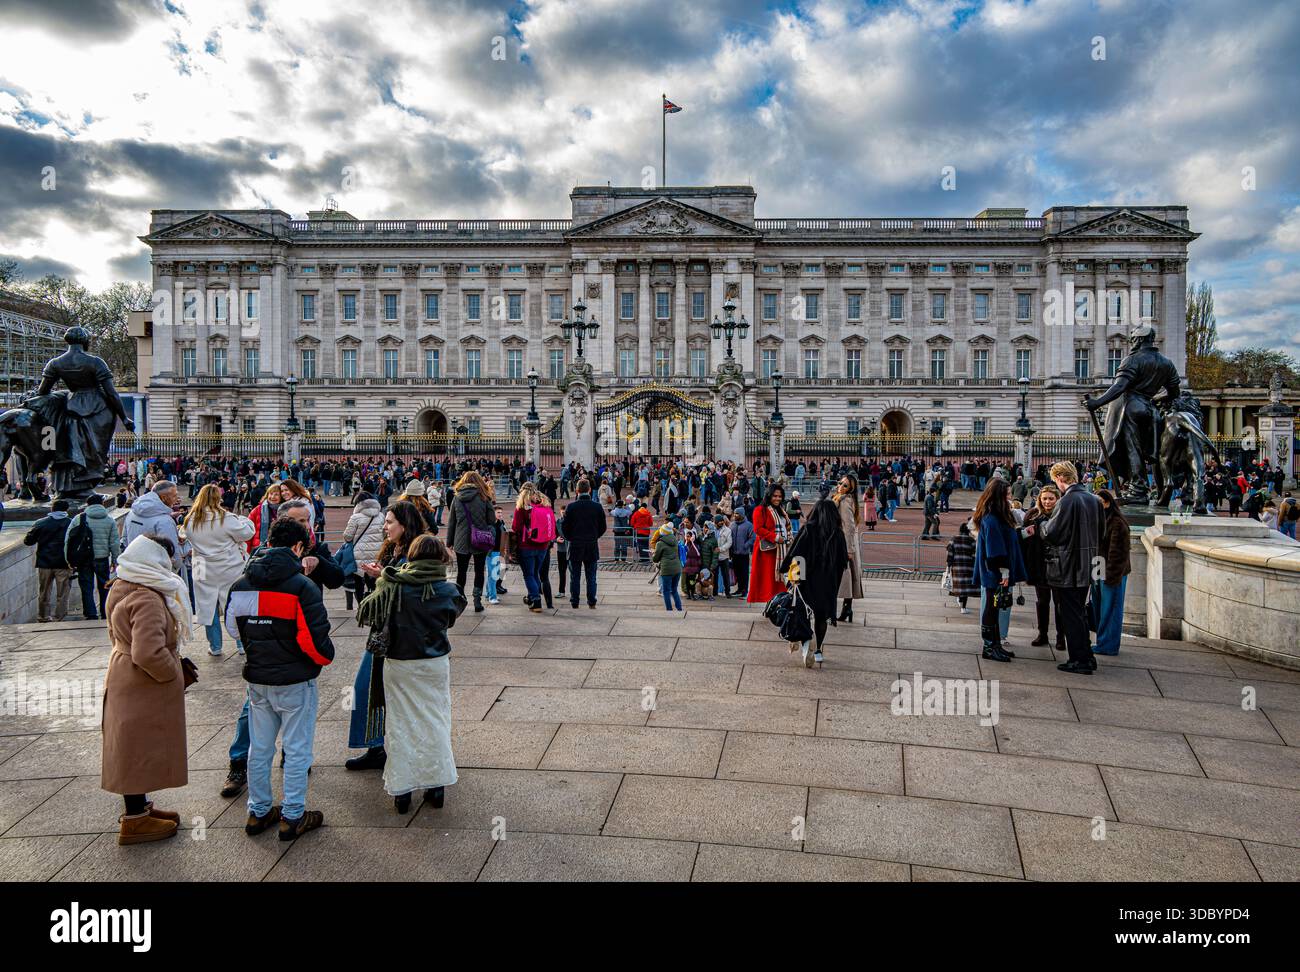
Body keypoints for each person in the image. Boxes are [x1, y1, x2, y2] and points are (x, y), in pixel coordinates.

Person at [226, 516, 335, 841]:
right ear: (298, 547)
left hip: (257, 678)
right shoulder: (300, 586)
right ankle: (292, 814)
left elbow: (234, 630)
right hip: (295, 679)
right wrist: (320, 659)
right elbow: (317, 645)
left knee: (259, 749)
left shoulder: (241, 583)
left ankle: (258, 811)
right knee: (297, 749)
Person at [356, 534, 465, 814]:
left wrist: (382, 580)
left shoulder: (393, 586)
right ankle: (436, 785)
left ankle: (402, 791)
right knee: (436, 720)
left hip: (399, 662)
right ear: (441, 558)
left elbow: (368, 612)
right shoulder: (449, 591)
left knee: (400, 723)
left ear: (412, 557)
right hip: (434, 663)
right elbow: (453, 614)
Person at [101, 534, 192, 844]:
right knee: (136, 749)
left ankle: (140, 809)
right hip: (142, 682)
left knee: (131, 747)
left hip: (124, 674)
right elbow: (148, 652)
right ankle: (135, 822)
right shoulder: (147, 597)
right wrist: (173, 674)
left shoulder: (121, 583)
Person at [344, 500, 428, 774]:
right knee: (365, 687)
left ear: (405, 524)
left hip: (401, 635)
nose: (385, 526)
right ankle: (375, 745)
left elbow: (417, 591)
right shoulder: (394, 548)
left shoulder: (419, 551)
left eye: (390, 521)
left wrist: (384, 576)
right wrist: (377, 575)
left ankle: (405, 749)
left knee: (394, 695)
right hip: (383, 630)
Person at [1035, 461, 1103, 675]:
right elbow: (1101, 532)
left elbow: (1052, 533)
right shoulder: (1094, 500)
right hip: (1088, 564)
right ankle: (1087, 655)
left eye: (1055, 479)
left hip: (1067, 566)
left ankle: (1079, 659)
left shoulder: (1066, 502)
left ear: (1060, 478)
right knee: (1080, 612)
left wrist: (1041, 526)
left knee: (1070, 615)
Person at [184, 484, 255, 657]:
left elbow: (183, 535)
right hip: (227, 564)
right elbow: (247, 534)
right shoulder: (225, 517)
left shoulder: (191, 519)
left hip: (201, 565)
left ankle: (215, 645)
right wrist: (244, 520)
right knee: (234, 603)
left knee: (207, 606)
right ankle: (241, 643)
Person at [780, 499, 849, 668]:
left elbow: (797, 554)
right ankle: (818, 649)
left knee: (801, 611)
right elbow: (842, 562)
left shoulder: (809, 529)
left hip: (807, 579)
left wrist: (790, 574)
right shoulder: (838, 534)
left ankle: (805, 640)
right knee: (821, 617)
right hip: (828, 582)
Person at [972, 477, 1027, 664]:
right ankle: (989, 645)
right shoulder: (992, 518)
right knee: (991, 607)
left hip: (996, 568)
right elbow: (995, 549)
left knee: (994, 608)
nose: (1010, 497)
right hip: (994, 570)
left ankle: (994, 644)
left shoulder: (998, 515)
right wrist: (1004, 572)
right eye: (1008, 494)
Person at [63, 494, 120, 622]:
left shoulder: (79, 518)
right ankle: (105, 612)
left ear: (87, 504)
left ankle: (90, 613)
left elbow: (69, 540)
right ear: (102, 504)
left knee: (86, 586)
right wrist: (116, 560)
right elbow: (114, 543)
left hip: (84, 559)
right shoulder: (109, 520)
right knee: (104, 586)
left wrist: (69, 559)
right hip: (102, 558)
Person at [445, 470, 496, 612]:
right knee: (479, 570)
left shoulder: (457, 497)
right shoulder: (484, 497)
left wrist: (449, 542)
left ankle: (460, 599)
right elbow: (491, 520)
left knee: (461, 572)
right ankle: (477, 600)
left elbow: (452, 522)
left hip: (461, 539)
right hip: (480, 538)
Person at [1021, 486, 1064, 650]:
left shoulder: (1062, 514)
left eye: (1051, 498)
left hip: (1059, 563)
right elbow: (1024, 539)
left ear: (1057, 499)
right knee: (1042, 601)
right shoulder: (1032, 515)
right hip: (1039, 563)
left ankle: (1061, 636)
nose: (1047, 502)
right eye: (1044, 498)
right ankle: (1043, 634)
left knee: (1060, 603)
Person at [1092, 488, 1131, 656]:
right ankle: (1102, 641)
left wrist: (1112, 577)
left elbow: (1118, 554)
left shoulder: (1117, 523)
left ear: (1108, 503)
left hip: (1111, 571)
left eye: (1100, 503)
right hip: (1098, 567)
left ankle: (1108, 645)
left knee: (1111, 608)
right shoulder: (1099, 521)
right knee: (1100, 607)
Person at [25, 498, 74, 622]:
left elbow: (28, 541)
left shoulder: (41, 523)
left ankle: (43, 616)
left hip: (44, 563)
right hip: (64, 563)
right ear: (66, 510)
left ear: (52, 509)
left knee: (44, 592)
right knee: (62, 593)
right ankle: (59, 617)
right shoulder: (71, 523)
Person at [561, 478, 606, 609]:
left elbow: (564, 528)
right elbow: (602, 527)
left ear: (577, 490)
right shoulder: (597, 507)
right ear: (590, 490)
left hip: (575, 545)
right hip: (591, 544)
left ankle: (575, 601)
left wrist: (571, 538)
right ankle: (591, 600)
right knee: (591, 576)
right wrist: (594, 536)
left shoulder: (571, 507)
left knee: (575, 576)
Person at [122, 480, 184, 572]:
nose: (177, 499)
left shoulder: (132, 512)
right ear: (163, 498)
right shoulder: (165, 521)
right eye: (174, 495)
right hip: (156, 572)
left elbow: (125, 539)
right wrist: (178, 565)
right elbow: (172, 551)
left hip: (133, 566)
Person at [512, 482, 554, 613]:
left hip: (526, 545)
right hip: (543, 545)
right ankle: (531, 597)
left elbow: (516, 527)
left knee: (528, 574)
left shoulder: (522, 507)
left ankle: (536, 600)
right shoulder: (544, 503)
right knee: (535, 573)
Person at [747, 484, 791, 605]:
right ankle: (771, 605)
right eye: (775, 496)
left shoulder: (781, 510)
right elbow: (758, 529)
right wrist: (776, 537)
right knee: (769, 581)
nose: (777, 498)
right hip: (767, 551)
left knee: (778, 580)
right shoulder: (760, 510)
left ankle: (777, 603)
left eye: (780, 496)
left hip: (780, 549)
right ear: (769, 496)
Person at [341, 491, 385, 610]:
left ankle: (362, 606)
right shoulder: (381, 516)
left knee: (359, 583)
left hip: (359, 555)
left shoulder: (355, 517)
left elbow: (347, 537)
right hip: (377, 553)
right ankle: (376, 606)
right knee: (376, 581)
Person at [831, 475, 863, 621]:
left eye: (845, 485)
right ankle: (847, 608)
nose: (841, 487)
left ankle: (840, 609)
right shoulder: (841, 498)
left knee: (841, 576)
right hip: (846, 543)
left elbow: (849, 527)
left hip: (843, 544)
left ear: (850, 489)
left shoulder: (844, 501)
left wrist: (849, 549)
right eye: (840, 483)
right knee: (847, 576)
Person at [945, 521, 979, 614]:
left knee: (959, 585)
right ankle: (963, 607)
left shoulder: (954, 539)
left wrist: (949, 565)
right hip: (968, 567)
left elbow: (950, 554)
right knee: (965, 587)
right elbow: (974, 555)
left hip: (957, 566)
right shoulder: (972, 540)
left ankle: (960, 600)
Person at [652, 519, 683, 611]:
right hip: (677, 569)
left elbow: (656, 559)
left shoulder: (660, 543)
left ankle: (669, 610)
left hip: (666, 569)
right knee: (674, 590)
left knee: (666, 591)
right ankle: (679, 608)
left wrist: (654, 554)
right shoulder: (675, 541)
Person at [246, 482, 283, 552]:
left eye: (276, 494)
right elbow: (248, 532)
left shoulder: (286, 510)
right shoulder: (257, 510)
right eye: (271, 494)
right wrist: (247, 551)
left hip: (279, 550)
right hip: (258, 549)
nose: (272, 497)